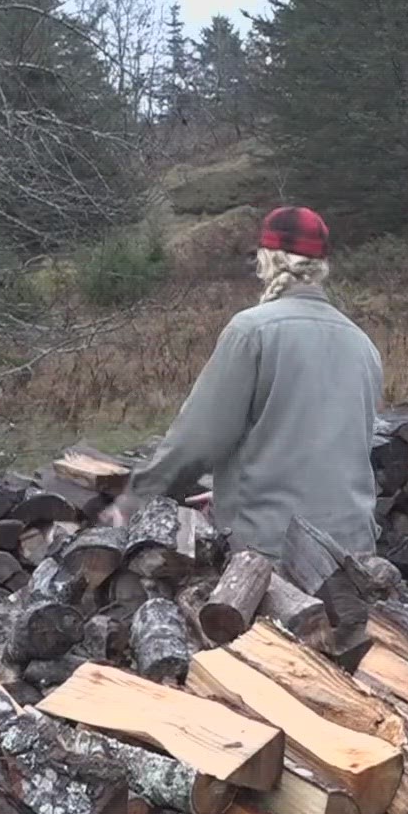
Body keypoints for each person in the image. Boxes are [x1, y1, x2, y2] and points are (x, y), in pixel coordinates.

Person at [105, 206, 384, 559]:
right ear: (321, 268)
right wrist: (230, 491)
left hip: (272, 551)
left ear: (267, 260)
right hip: (356, 552)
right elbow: (330, 449)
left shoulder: (251, 332)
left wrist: (134, 500)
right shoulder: (363, 345)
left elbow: (197, 441)